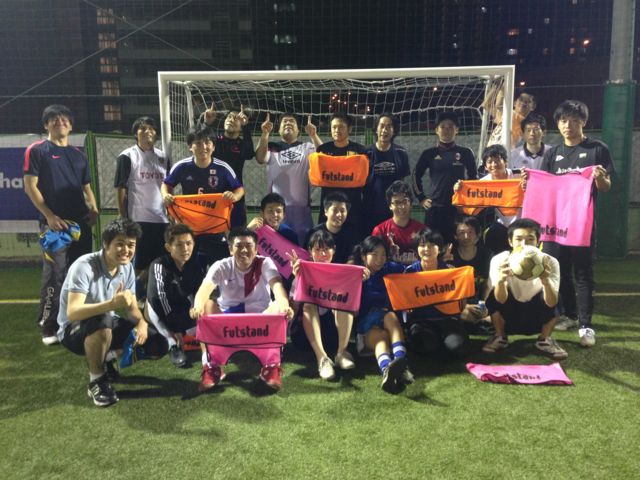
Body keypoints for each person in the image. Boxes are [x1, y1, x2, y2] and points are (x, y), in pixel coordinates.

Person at [56, 218, 165, 407]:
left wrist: (141, 323)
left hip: (105, 324)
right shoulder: (84, 266)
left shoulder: (127, 268)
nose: (126, 250)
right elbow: (73, 312)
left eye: (131, 245)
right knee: (103, 320)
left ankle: (107, 358)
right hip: (73, 330)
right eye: (120, 244)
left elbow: (131, 309)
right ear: (106, 244)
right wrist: (111, 304)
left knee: (157, 343)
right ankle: (96, 380)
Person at [540, 100, 614, 346]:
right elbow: (545, 187)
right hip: (555, 225)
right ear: (558, 123)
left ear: (583, 121)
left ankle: (586, 325)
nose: (568, 125)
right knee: (557, 271)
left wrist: (600, 179)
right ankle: (569, 315)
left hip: (582, 224)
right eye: (563, 120)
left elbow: (606, 186)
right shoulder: (552, 154)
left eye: (574, 120)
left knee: (583, 273)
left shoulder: (597, 149)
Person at [23, 104, 99, 345]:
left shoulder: (78, 154)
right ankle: (49, 325)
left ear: (71, 124)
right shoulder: (37, 150)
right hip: (54, 226)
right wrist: (49, 216)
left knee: (81, 272)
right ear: (46, 124)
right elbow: (30, 186)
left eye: (64, 118)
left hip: (80, 224)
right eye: (54, 119)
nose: (60, 122)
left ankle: (76, 319)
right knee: (55, 275)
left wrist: (94, 207)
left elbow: (86, 186)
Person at [190, 227, 293, 392]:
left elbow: (278, 287)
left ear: (256, 248)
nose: (244, 250)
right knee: (206, 306)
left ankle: (271, 366)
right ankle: (211, 366)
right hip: (228, 321)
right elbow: (204, 290)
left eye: (249, 245)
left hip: (259, 320)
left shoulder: (265, 263)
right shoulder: (221, 265)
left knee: (278, 306)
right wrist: (197, 306)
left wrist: (285, 305)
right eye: (239, 246)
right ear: (231, 249)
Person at [482, 218, 567, 359]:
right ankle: (500, 336)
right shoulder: (500, 260)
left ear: (538, 242)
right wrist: (502, 280)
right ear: (510, 242)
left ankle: (544, 339)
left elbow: (552, 303)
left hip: (537, 316)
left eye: (530, 239)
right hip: (509, 316)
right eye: (518, 239)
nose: (524, 244)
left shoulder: (550, 262)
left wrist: (546, 281)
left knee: (556, 295)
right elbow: (499, 300)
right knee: (493, 294)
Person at [161, 126, 245, 269]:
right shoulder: (181, 166)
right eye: (198, 143)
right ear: (190, 146)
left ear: (213, 146)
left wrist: (234, 196)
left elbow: (239, 189)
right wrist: (166, 195)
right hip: (190, 226)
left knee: (221, 266)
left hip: (214, 226)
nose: (203, 147)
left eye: (207, 142)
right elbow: (166, 184)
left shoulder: (223, 167)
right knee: (190, 266)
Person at [113, 116, 170, 299]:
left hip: (161, 218)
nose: (148, 132)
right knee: (139, 262)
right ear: (135, 134)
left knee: (161, 260)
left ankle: (147, 291)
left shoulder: (163, 157)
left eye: (151, 128)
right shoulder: (127, 156)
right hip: (138, 218)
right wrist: (123, 217)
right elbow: (121, 188)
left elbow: (168, 187)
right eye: (143, 129)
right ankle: (134, 295)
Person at [288, 230, 356, 380]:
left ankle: (341, 353)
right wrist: (299, 281)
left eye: (326, 249)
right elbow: (293, 310)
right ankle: (322, 359)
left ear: (334, 250)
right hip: (304, 336)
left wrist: (359, 280)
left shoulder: (342, 274)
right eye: (318, 250)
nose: (323, 254)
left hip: (333, 335)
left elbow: (354, 311)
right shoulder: (301, 273)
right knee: (309, 304)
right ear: (310, 251)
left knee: (343, 303)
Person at [351, 236, 413, 392]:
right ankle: (397, 365)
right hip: (366, 326)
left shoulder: (389, 268)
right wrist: (356, 280)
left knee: (386, 327)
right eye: (375, 254)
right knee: (386, 326)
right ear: (364, 256)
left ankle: (392, 367)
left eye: (383, 254)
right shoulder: (355, 274)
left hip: (387, 325)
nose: (380, 259)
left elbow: (412, 270)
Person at [255, 112, 322, 244]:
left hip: (301, 208)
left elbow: (323, 155)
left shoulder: (307, 147)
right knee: (276, 246)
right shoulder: (271, 146)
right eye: (284, 121)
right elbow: (260, 158)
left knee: (301, 246)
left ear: (298, 130)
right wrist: (265, 134)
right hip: (276, 209)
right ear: (278, 129)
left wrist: (314, 135)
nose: (288, 123)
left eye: (292, 121)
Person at [145, 223, 205, 368]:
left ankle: (189, 335)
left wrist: (198, 310)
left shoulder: (195, 266)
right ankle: (173, 344)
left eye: (189, 243)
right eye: (179, 245)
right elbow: (159, 299)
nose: (185, 249)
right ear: (168, 247)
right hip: (160, 309)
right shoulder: (159, 265)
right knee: (153, 308)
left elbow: (199, 293)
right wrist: (175, 328)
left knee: (204, 308)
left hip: (181, 307)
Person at [411, 111, 477, 243]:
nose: (446, 130)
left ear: (457, 130)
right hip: (435, 208)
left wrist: (466, 202)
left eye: (450, 126)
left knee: (457, 245)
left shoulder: (465, 152)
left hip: (457, 209)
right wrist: (421, 198)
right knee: (433, 244)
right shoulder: (429, 153)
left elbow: (474, 178)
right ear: (436, 130)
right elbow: (415, 175)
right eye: (443, 127)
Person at [404, 229, 470, 357]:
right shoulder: (409, 272)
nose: (426, 249)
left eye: (431, 245)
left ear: (439, 249)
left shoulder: (450, 272)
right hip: (421, 321)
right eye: (422, 245)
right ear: (416, 249)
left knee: (457, 347)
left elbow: (461, 302)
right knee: (426, 347)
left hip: (448, 320)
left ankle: (446, 341)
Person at [199, 104, 255, 227]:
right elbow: (200, 142)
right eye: (229, 117)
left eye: (236, 118)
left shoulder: (241, 144)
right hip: (213, 194)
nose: (231, 119)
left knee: (237, 232)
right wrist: (206, 123)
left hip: (235, 195)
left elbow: (249, 153)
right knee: (211, 231)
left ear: (241, 126)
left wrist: (246, 127)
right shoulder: (214, 141)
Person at [315, 112, 369, 237]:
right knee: (326, 240)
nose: (337, 130)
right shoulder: (323, 150)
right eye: (334, 127)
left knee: (353, 239)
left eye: (341, 127)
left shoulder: (360, 151)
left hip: (353, 206)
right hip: (329, 204)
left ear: (349, 129)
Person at [363, 114, 410, 233]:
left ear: (394, 131)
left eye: (389, 126)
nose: (384, 130)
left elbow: (402, 182)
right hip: (370, 209)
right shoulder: (366, 153)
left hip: (393, 210)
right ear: (376, 129)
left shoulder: (401, 152)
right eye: (382, 126)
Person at [477, 144, 521, 254]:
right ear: (485, 166)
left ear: (505, 162)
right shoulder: (482, 184)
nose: (494, 164)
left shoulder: (520, 176)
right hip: (502, 225)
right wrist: (459, 188)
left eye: (497, 160)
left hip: (523, 223)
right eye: (490, 162)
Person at [449, 216, 492, 326]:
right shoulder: (450, 256)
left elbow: (488, 285)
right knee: (464, 315)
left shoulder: (487, 255)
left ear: (478, 235)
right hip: (458, 304)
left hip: (481, 303)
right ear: (455, 236)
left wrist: (484, 305)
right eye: (461, 232)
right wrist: (464, 306)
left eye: (470, 232)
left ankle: (481, 322)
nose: (466, 236)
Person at [371, 180, 425, 265]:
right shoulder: (380, 231)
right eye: (397, 203)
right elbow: (374, 261)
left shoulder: (422, 229)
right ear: (390, 206)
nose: (401, 206)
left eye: (405, 201)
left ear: (411, 204)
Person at [305, 191, 360, 264]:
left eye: (342, 211)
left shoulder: (351, 234)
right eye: (335, 210)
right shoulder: (313, 233)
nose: (338, 214)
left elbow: (354, 257)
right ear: (326, 211)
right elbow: (306, 257)